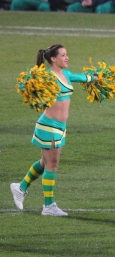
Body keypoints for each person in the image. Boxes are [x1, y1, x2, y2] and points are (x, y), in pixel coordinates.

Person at [10, 45, 98, 216]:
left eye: (67, 55)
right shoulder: (46, 77)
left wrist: (97, 78)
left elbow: (82, 77)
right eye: (63, 55)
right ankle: (48, 206)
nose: (67, 58)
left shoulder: (66, 74)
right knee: (52, 164)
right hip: (48, 126)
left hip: (61, 127)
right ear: (53, 59)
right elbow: (30, 86)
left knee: (45, 163)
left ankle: (20, 188)